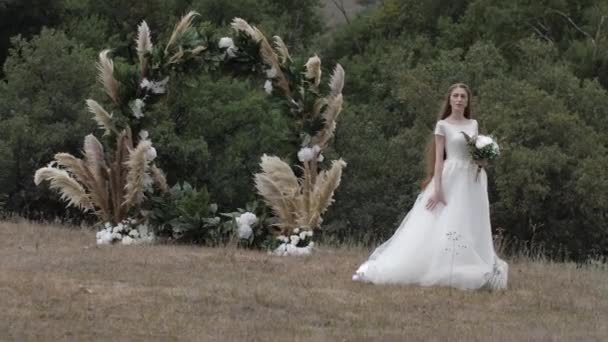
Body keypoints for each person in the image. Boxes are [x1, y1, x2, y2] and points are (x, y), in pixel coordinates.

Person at [352, 83, 508, 290]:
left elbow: (472, 153)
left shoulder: (473, 124)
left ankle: (468, 263)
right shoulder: (443, 125)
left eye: (463, 96)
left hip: (472, 178)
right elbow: (438, 159)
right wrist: (437, 188)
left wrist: (483, 159)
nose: (459, 100)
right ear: (450, 99)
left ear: (467, 101)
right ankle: (440, 265)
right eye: (456, 96)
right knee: (446, 219)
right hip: (451, 175)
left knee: (470, 220)